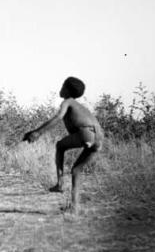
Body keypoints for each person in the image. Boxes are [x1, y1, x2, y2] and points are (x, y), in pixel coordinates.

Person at [23, 76, 103, 212]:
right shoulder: (80, 106)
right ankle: (75, 207)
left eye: (62, 86)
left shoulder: (68, 102)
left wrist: (37, 133)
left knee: (59, 146)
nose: (60, 89)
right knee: (76, 170)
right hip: (99, 139)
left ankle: (60, 183)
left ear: (66, 89)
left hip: (87, 133)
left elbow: (58, 117)